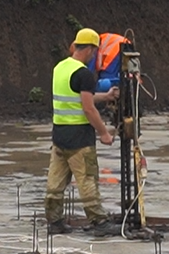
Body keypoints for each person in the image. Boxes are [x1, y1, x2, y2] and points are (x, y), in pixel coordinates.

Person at [45, 28, 119, 237]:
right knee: (87, 179)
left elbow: (77, 98)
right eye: (94, 51)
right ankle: (99, 222)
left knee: (55, 182)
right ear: (91, 49)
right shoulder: (84, 74)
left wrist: (104, 96)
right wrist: (104, 133)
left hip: (59, 136)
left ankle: (55, 221)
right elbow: (88, 109)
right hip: (79, 138)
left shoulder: (60, 68)